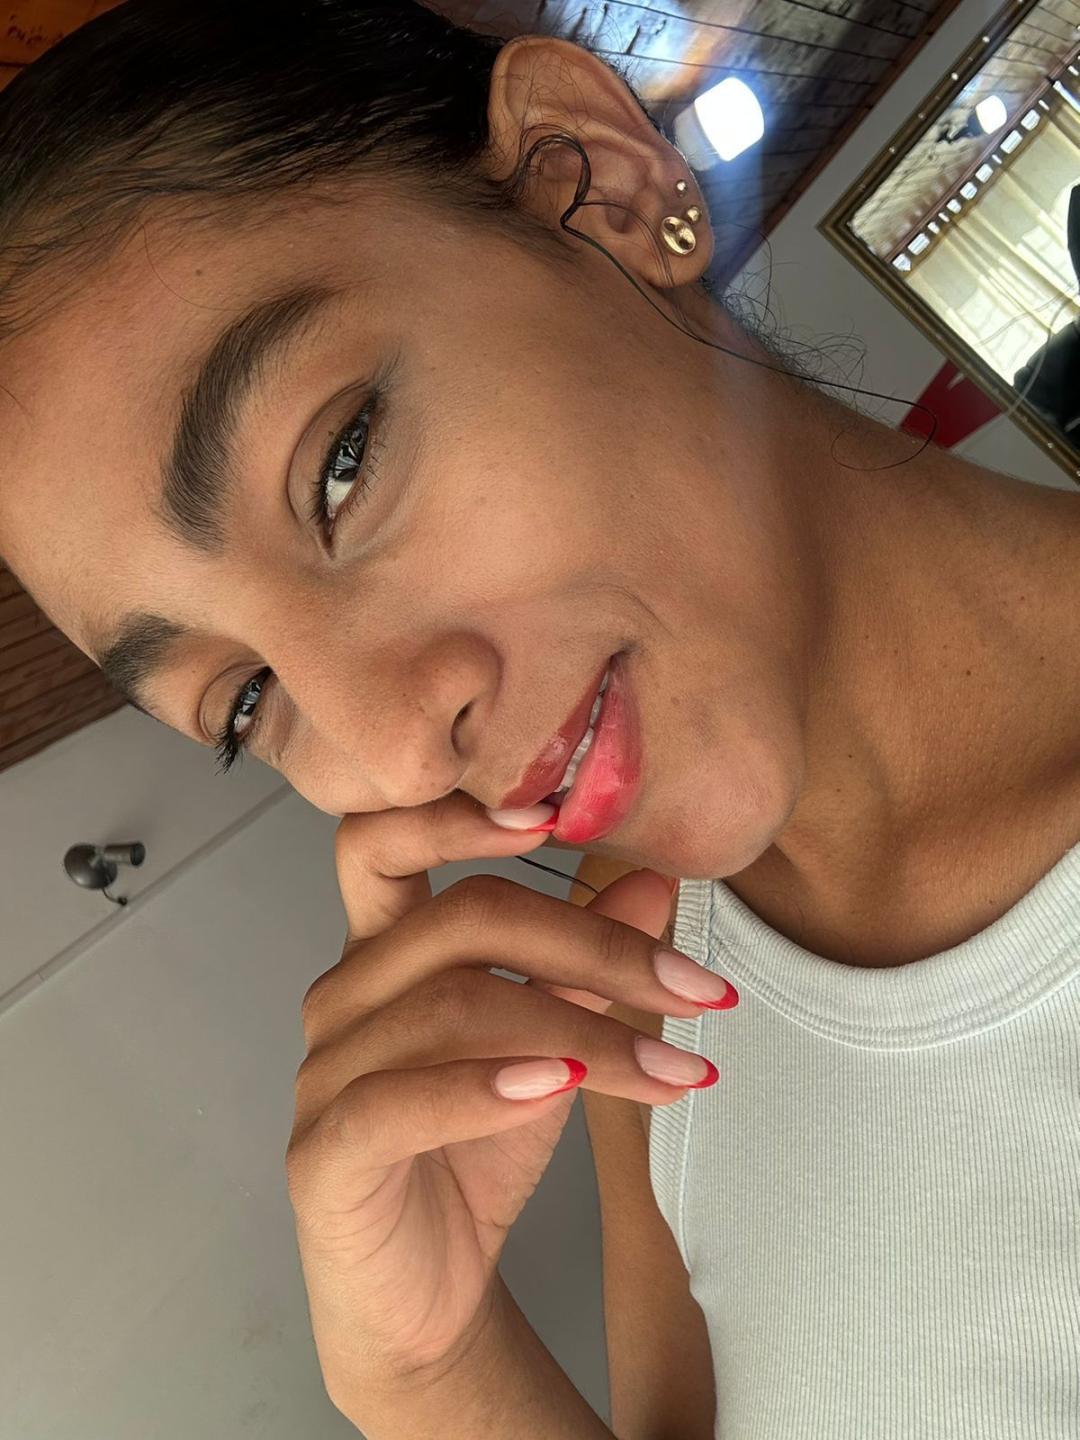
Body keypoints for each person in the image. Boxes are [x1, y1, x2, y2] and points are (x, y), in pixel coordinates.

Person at [1, 3, 1078, 1436]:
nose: (394, 747)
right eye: (247, 702)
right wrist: (432, 1377)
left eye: (341, 468)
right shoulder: (647, 988)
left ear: (603, 183)